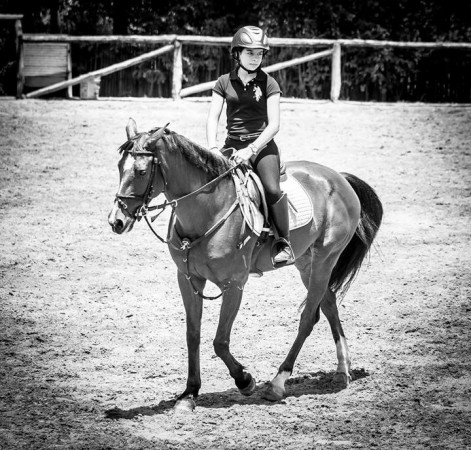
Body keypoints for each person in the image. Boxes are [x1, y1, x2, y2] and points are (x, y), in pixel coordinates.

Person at [206, 25, 294, 266]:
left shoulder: (269, 83)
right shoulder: (224, 82)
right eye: (250, 53)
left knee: (272, 189)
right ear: (237, 53)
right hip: (231, 146)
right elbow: (213, 117)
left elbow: (274, 125)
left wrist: (251, 150)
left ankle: (283, 242)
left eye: (259, 53)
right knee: (212, 186)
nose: (255, 58)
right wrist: (212, 147)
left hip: (261, 147)